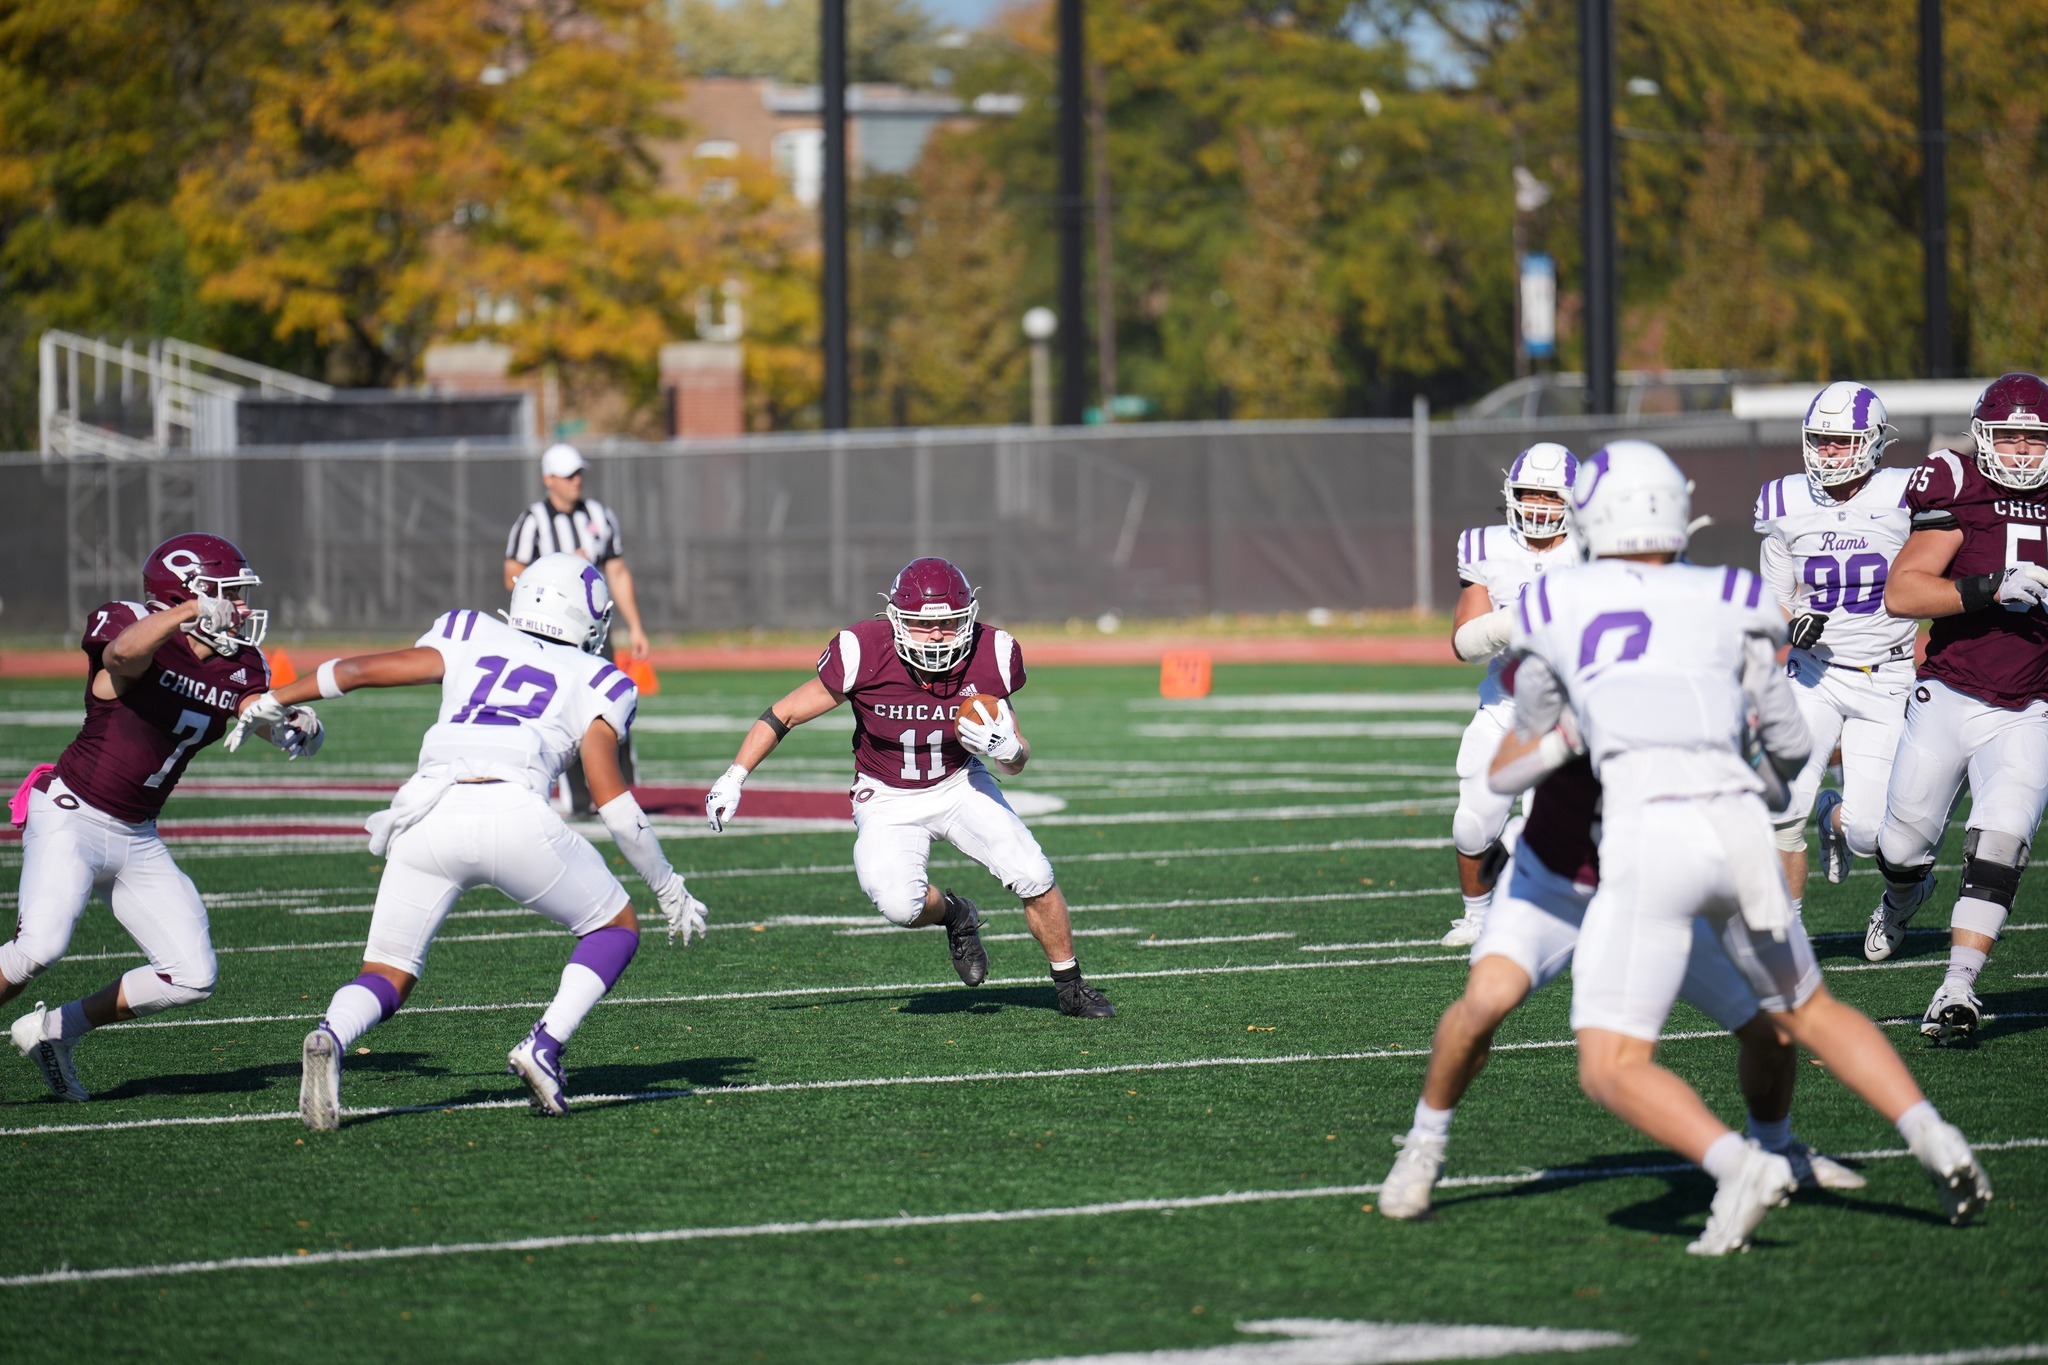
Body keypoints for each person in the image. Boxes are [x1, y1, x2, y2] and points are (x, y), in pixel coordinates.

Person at [1512, 439, 1988, 1254]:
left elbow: (1524, 750)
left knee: (1609, 1064)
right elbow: (1791, 745)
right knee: (1810, 1010)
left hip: (1649, 835)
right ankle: (1936, 1137)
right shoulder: (1734, 595)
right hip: (1735, 826)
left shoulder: (1553, 603)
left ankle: (1741, 1163)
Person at [239, 553, 709, 1129]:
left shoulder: (470, 631)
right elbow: (611, 799)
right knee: (614, 928)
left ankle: (331, 1035)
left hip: (428, 811)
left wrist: (277, 698)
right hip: (513, 812)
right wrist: (667, 885)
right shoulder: (602, 679)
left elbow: (358, 672)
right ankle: (545, 1045)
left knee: (386, 972)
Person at [1377, 697, 1862, 1222]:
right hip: (1556, 878)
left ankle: (1775, 1146)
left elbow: (1767, 769)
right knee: (1485, 1003)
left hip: (1653, 889)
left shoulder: (1704, 666)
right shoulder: (1574, 650)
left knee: (1772, 1030)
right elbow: (1503, 766)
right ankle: (1424, 1145)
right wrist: (1562, 737)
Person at [702, 557, 1114, 1018]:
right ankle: (956, 913)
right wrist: (734, 776)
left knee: (1034, 872)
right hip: (886, 794)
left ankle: (1071, 985)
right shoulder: (863, 651)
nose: (937, 636)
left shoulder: (992, 652)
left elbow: (1015, 760)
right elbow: (786, 712)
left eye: (950, 623)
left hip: (960, 782)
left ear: (968, 618)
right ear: (897, 621)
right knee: (899, 903)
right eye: (922, 625)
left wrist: (1008, 750)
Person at [5, 534, 322, 1101]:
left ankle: (54, 1031)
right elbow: (121, 657)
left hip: (137, 835)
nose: (244, 609)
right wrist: (189, 613)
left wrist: (293, 719)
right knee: (40, 947)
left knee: (191, 975)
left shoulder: (240, 661)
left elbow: (255, 710)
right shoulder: (127, 622)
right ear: (191, 593)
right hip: (72, 815)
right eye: (231, 595)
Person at [1871, 372, 2048, 1039]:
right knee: (1901, 844)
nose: (2024, 451)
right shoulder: (1958, 483)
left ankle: (1957, 987)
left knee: (2003, 837)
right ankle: (1900, 893)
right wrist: (1990, 586)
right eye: (2011, 436)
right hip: (1948, 692)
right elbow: (1905, 592)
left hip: (2032, 703)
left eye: (2035, 438)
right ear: (1984, 436)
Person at [1753, 382, 1918, 907]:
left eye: (1841, 441)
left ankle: (1833, 813)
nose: (1828, 452)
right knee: (1781, 809)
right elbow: (1771, 599)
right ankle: (1785, 942)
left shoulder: (1906, 493)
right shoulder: (1785, 500)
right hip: (1813, 675)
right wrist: (1790, 624)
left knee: (1870, 835)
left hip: (1887, 675)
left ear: (1873, 442)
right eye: (1820, 440)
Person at [1441, 444, 1581, 947]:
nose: (1539, 506)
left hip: (1572, 713)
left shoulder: (1595, 551)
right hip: (1504, 703)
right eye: (1529, 495)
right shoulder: (1487, 547)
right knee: (1472, 824)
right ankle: (1477, 917)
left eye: (1551, 496)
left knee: (1543, 831)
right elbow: (1464, 642)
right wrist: (1511, 622)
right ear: (1511, 496)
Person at [504, 442, 649, 811]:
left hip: (595, 631)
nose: (576, 481)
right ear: (548, 479)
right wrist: (561, 569)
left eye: (579, 473)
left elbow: (616, 569)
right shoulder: (533, 520)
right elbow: (512, 575)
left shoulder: (598, 515)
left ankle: (617, 788)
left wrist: (635, 625)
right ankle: (576, 794)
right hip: (552, 631)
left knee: (613, 700)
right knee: (562, 707)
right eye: (568, 475)